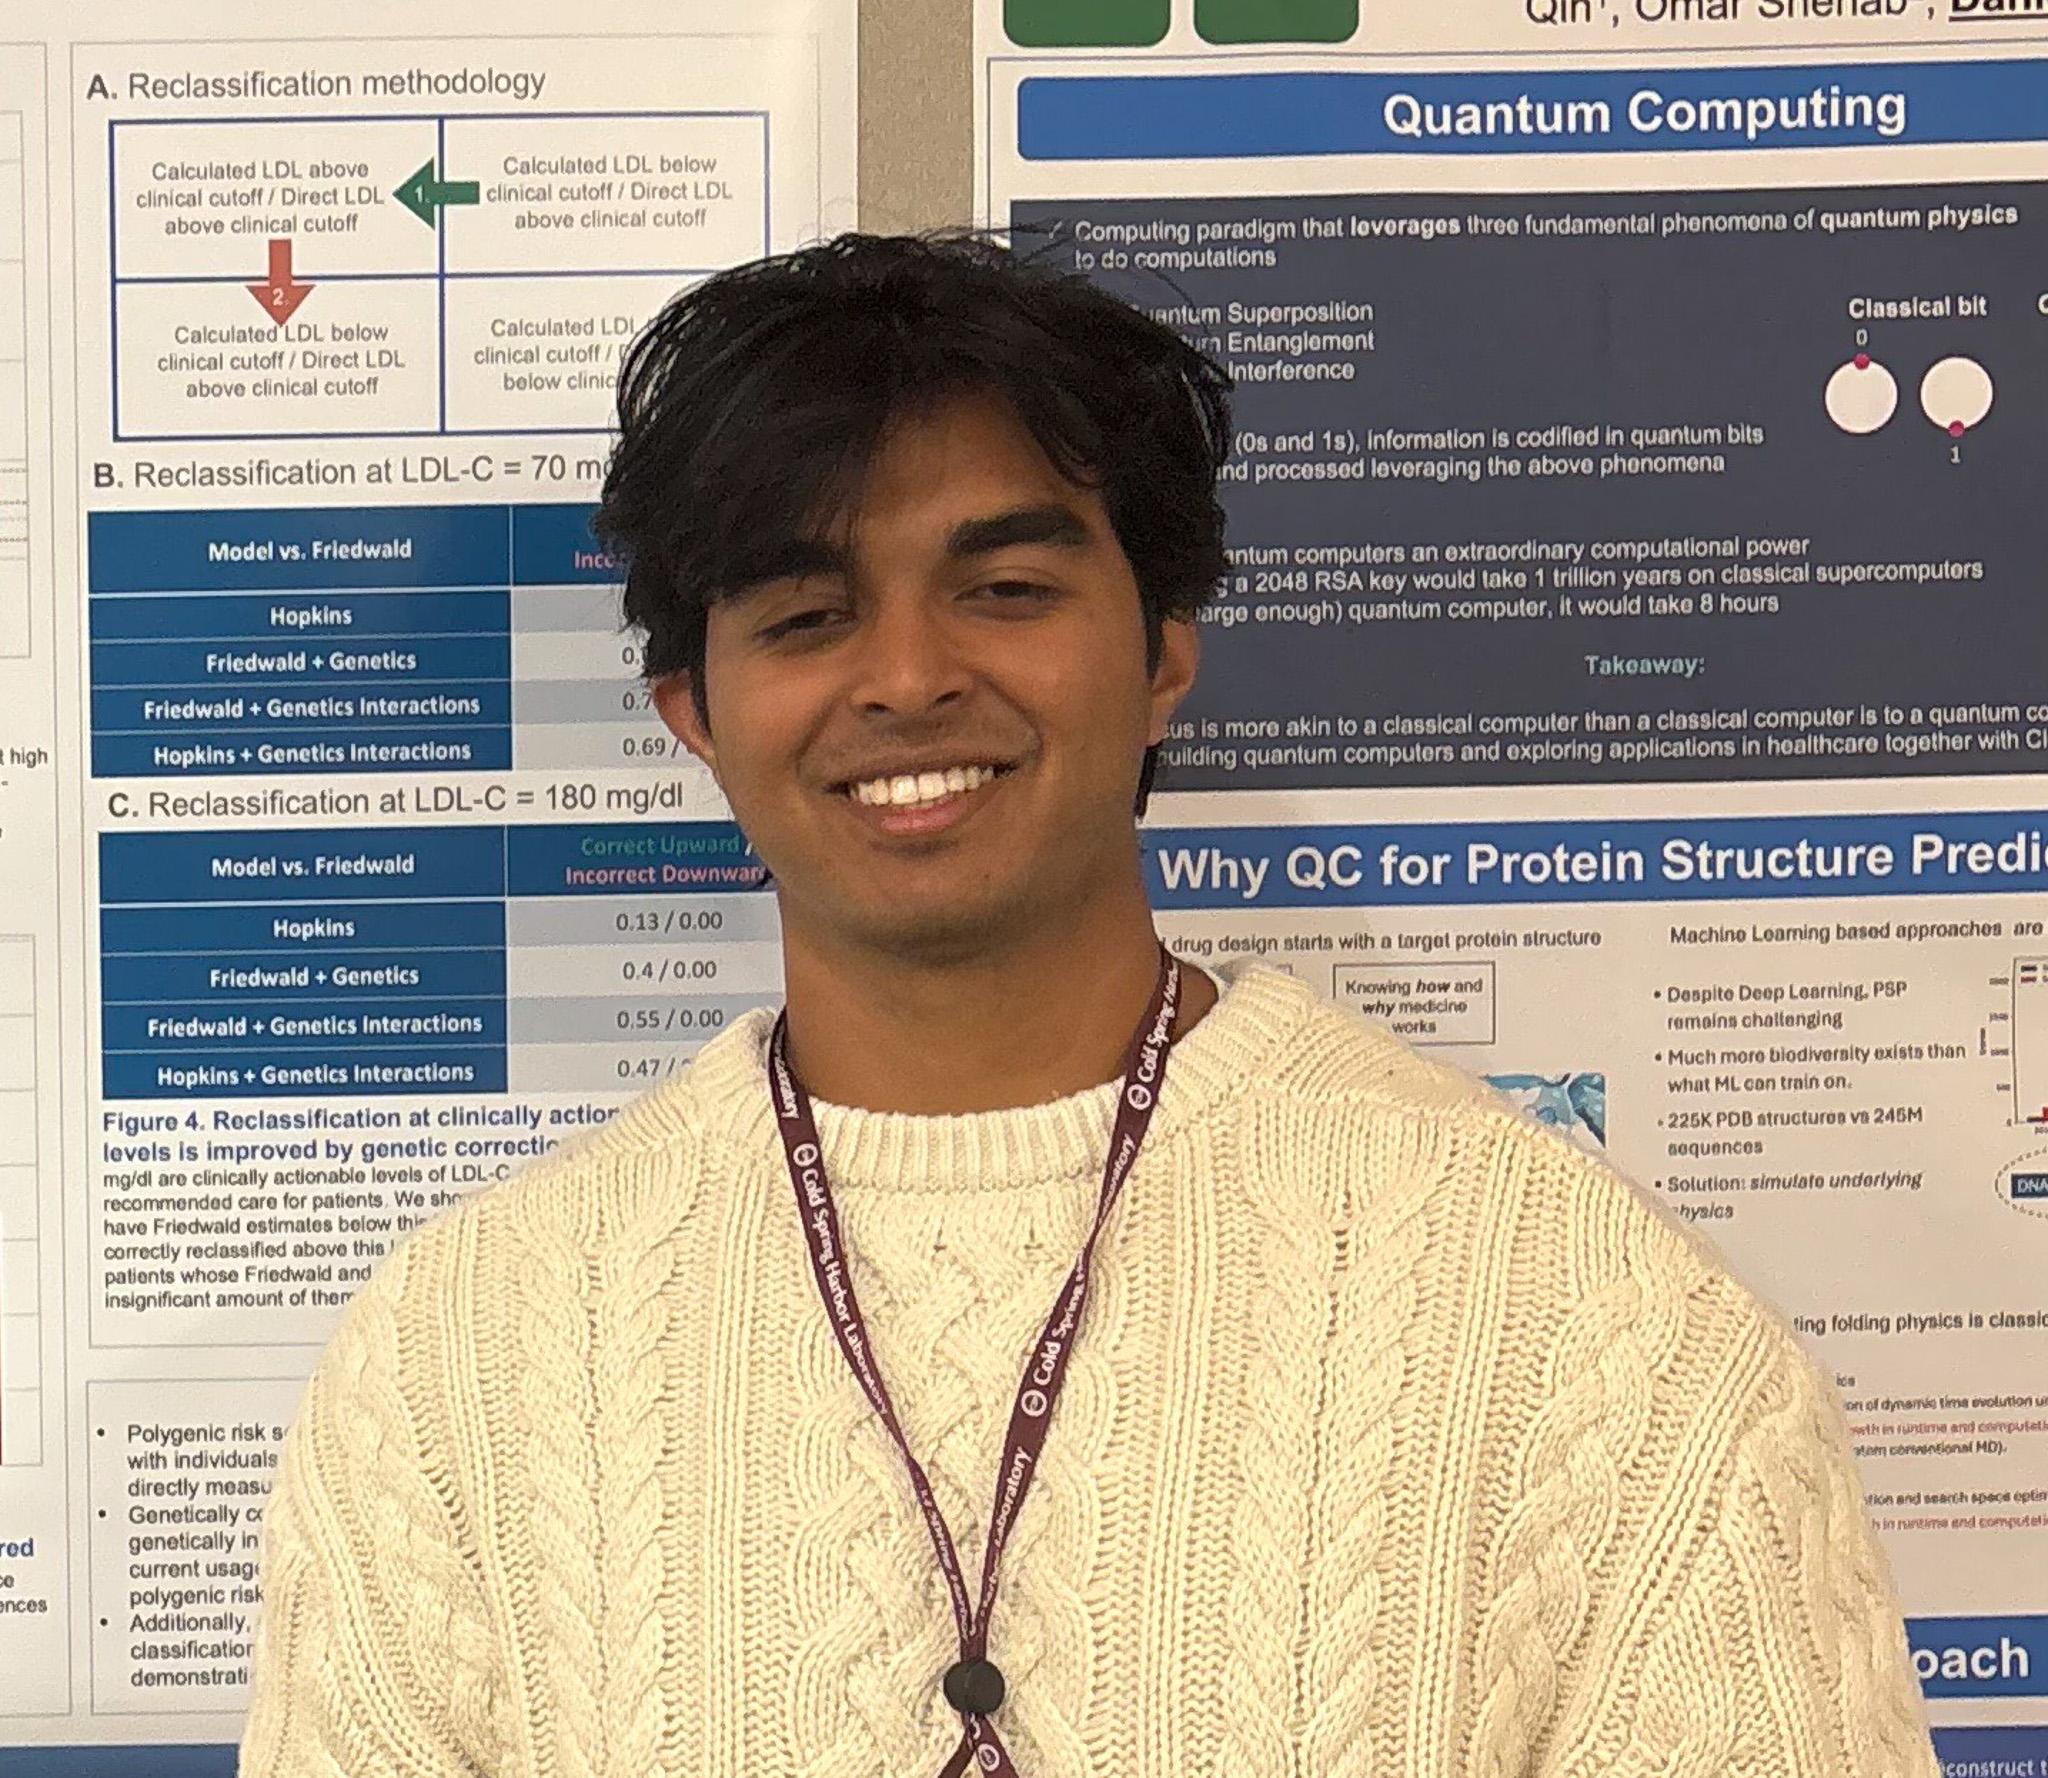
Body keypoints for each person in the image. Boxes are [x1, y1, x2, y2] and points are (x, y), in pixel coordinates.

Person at [238, 232, 1940, 1777]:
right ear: (696, 710)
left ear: (1164, 653)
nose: (910, 677)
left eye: (1007, 589)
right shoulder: (460, 1359)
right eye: (809, 613)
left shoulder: (1589, 1317)